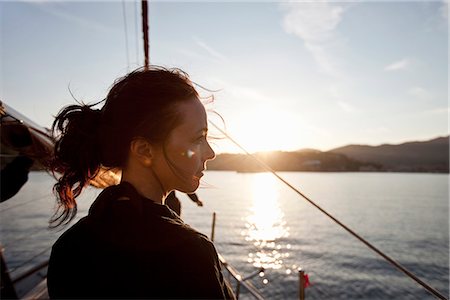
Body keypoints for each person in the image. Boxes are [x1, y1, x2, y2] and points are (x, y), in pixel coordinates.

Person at [47, 66, 235, 299]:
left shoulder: (69, 247)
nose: (211, 153)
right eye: (198, 139)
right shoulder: (191, 254)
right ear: (144, 150)